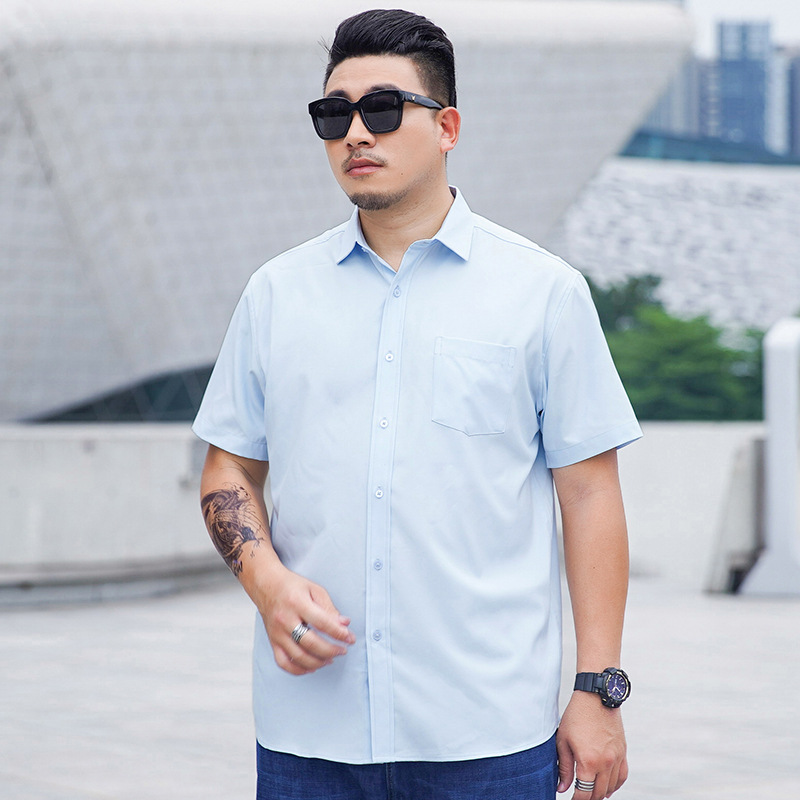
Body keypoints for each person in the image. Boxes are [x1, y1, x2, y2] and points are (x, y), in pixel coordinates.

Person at [193, 8, 641, 800]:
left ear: (447, 128)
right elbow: (229, 465)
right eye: (333, 114)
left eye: (383, 108)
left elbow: (590, 493)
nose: (356, 133)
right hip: (310, 734)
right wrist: (266, 583)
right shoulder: (275, 295)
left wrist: (597, 690)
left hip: (488, 733)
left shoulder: (542, 292)